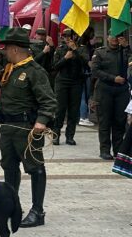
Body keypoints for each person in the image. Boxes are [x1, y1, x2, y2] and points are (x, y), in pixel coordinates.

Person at [0, 28, 57, 227]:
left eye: (6, 48)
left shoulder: (34, 71)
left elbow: (49, 100)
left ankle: (38, 211)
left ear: (16, 49)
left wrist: (42, 121)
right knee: (9, 167)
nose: (3, 52)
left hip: (27, 128)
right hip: (8, 127)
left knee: (35, 168)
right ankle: (12, 205)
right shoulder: (11, 69)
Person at [91, 32, 130, 160]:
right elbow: (95, 71)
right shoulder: (100, 52)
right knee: (104, 121)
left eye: (118, 37)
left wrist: (127, 47)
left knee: (120, 121)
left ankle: (118, 150)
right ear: (107, 38)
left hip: (121, 91)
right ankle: (105, 150)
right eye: (112, 36)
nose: (115, 39)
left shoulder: (125, 51)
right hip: (105, 90)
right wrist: (113, 78)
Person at [52, 31, 89, 145]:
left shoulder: (81, 49)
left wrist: (75, 50)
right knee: (60, 110)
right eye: (65, 37)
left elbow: (85, 63)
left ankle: (70, 136)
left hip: (76, 82)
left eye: (69, 37)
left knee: (73, 111)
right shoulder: (60, 49)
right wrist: (65, 58)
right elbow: (55, 66)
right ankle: (56, 135)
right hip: (62, 82)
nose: (67, 39)